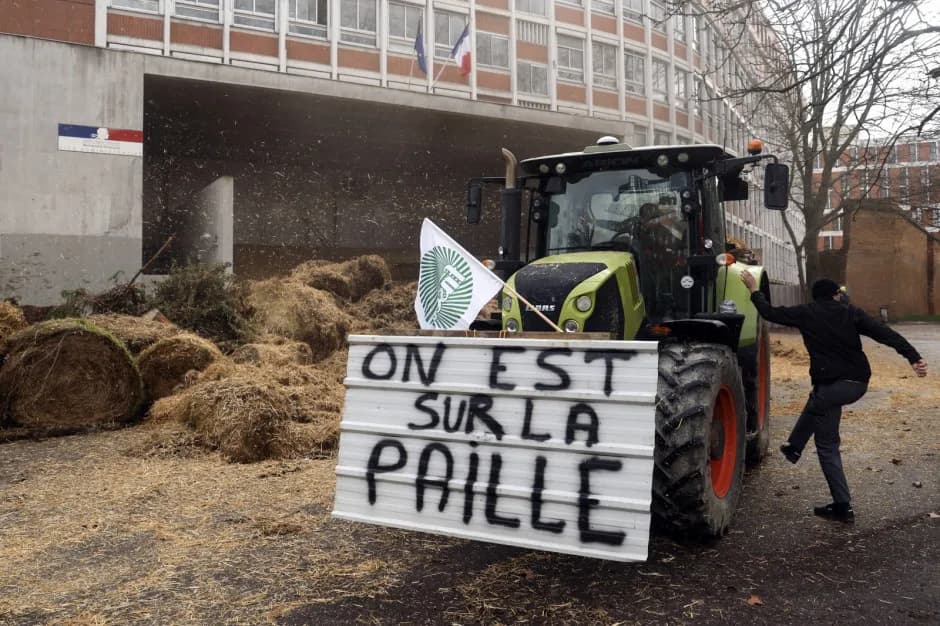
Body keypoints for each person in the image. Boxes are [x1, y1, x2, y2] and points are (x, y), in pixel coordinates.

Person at [740, 271, 928, 523]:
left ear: (816, 297)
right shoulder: (851, 312)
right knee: (818, 396)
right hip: (857, 383)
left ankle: (842, 506)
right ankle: (794, 448)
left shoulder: (806, 312)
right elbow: (885, 334)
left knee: (827, 444)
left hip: (832, 386)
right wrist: (913, 357)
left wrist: (754, 290)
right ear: (836, 295)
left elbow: (770, 313)